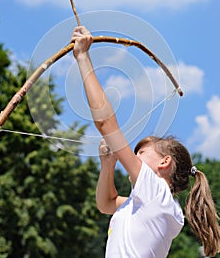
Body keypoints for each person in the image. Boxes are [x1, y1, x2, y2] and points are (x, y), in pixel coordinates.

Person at [71, 25, 220, 257]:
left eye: (141, 153)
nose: (133, 157)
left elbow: (106, 124)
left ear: (165, 163)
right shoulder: (149, 202)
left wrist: (82, 57)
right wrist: (108, 166)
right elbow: (106, 204)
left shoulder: (156, 192)